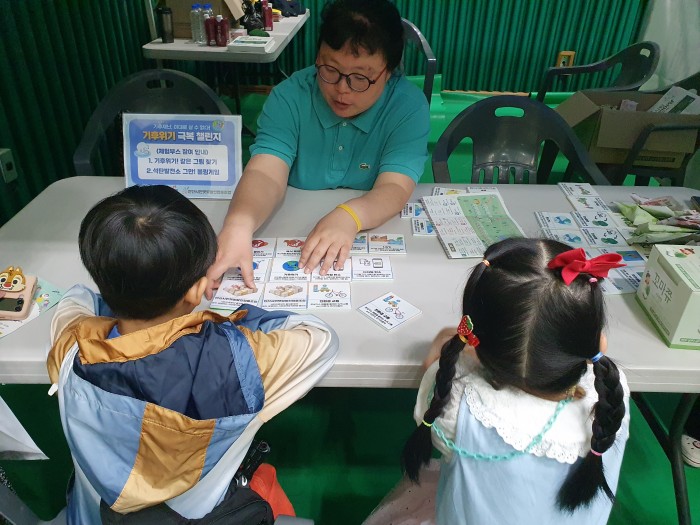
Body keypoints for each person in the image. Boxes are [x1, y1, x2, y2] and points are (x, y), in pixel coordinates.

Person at [46, 185, 338, 524]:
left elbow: (75, 298)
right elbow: (320, 337)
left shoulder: (73, 344)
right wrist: (230, 323)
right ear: (199, 289)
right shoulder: (241, 362)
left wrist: (130, 288)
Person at [366, 238, 630, 525]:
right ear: (597, 342)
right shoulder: (612, 394)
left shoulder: (458, 403)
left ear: (476, 347)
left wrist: (449, 343)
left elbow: (434, 371)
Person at [207, 0, 430, 294]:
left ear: (389, 72)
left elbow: (395, 188)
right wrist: (239, 224)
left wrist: (351, 215)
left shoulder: (407, 106)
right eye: (330, 69)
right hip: (289, 227)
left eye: (361, 77)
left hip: (368, 232)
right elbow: (265, 172)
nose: (342, 88)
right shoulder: (290, 97)